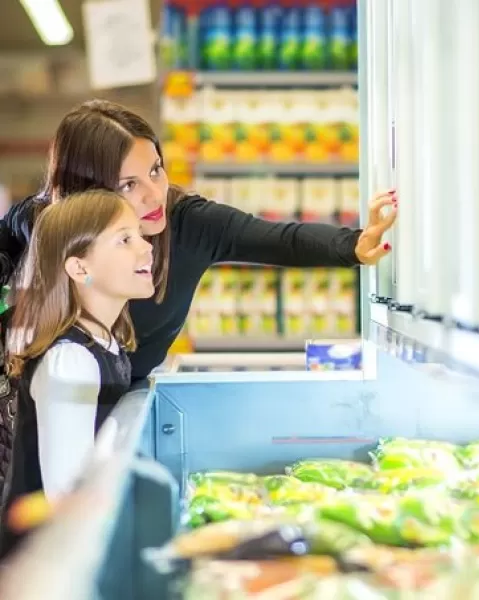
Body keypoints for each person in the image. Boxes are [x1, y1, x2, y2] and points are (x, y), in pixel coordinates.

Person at [0, 100, 397, 381]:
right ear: (85, 191)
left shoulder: (188, 224)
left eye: (156, 170)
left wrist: (354, 246)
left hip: (124, 412)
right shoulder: (38, 224)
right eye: (128, 185)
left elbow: (280, 239)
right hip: (35, 419)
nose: (153, 195)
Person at [0, 189, 153, 557]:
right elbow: (66, 495)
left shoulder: (105, 340)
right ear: (79, 268)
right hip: (39, 565)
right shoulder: (71, 361)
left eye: (141, 235)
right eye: (125, 239)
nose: (146, 248)